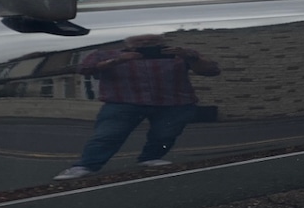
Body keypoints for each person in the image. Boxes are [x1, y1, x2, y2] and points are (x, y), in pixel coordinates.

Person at [53, 34, 220, 179]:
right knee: (107, 135)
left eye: (152, 39)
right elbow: (85, 70)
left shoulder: (179, 53)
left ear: (161, 39)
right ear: (128, 40)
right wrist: (117, 60)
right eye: (140, 39)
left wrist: (191, 58)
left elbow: (211, 71)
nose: (146, 42)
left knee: (165, 134)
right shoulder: (104, 54)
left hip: (173, 102)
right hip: (123, 102)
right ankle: (83, 166)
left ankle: (151, 157)